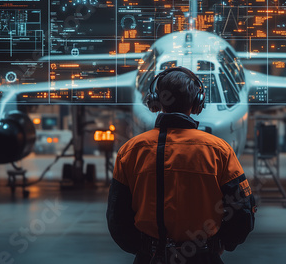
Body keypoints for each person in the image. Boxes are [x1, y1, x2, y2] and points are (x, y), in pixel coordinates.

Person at [107, 66, 256, 264]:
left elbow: (117, 217)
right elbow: (242, 211)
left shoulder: (130, 151)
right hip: (203, 256)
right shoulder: (220, 151)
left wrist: (143, 249)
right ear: (197, 104)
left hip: (150, 257)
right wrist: (222, 244)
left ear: (156, 101)